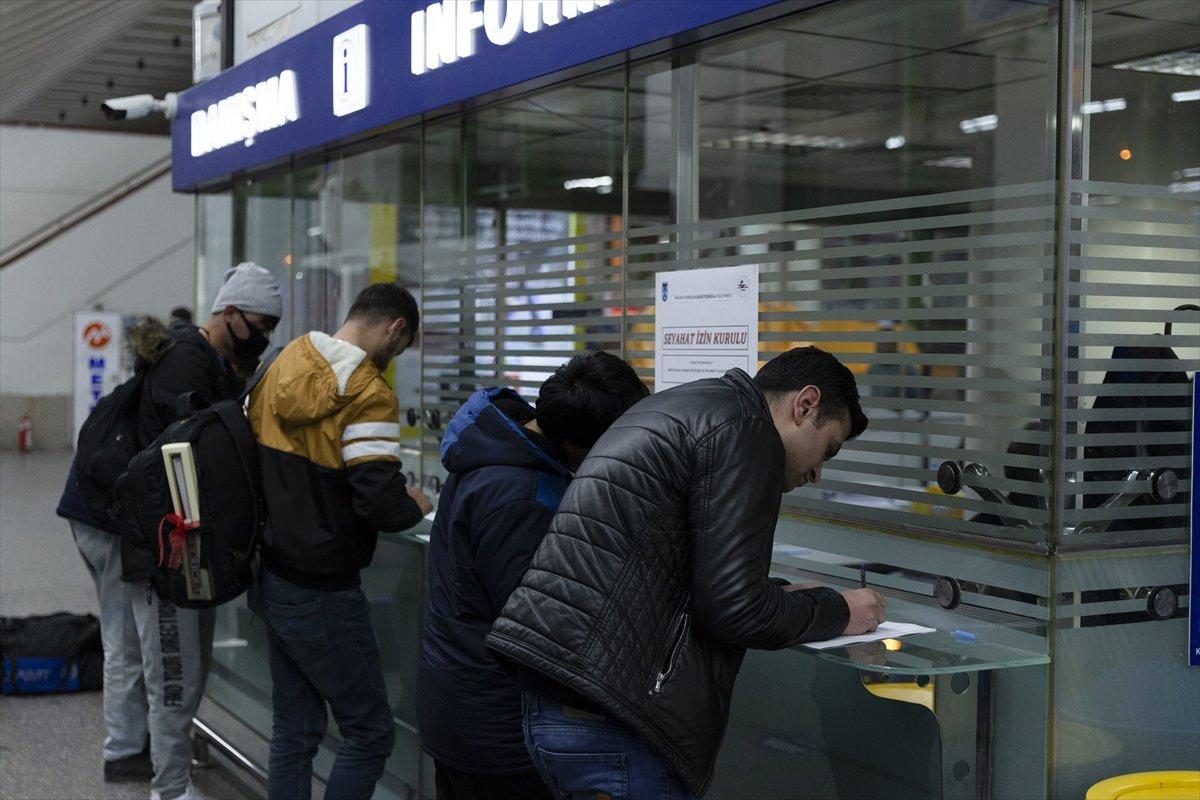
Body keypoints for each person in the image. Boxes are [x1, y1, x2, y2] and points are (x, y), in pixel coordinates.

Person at [487, 346, 886, 799]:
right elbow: (733, 611)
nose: (817, 473)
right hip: (613, 716)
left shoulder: (694, 405)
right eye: (827, 449)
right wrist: (838, 609)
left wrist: (778, 593)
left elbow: (679, 565)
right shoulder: (747, 430)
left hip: (564, 697)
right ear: (806, 404)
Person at [415, 352, 649, 800]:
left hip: (463, 702)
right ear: (581, 446)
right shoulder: (520, 495)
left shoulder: (499, 449)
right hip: (495, 727)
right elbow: (542, 627)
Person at [247, 282, 433, 800]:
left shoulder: (284, 361)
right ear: (394, 328)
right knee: (370, 732)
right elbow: (379, 503)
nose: (394, 359)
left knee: (296, 729)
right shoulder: (369, 393)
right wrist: (416, 502)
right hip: (324, 591)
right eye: (399, 348)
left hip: (271, 574)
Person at [127, 261, 282, 800]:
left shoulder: (213, 364)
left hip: (191, 544)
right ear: (229, 313)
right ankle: (168, 790)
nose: (263, 337)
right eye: (259, 325)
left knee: (185, 672)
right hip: (167, 550)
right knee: (173, 672)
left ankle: (167, 776)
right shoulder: (186, 366)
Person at [56, 460, 150, 782]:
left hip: (87, 505)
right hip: (105, 519)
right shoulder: (159, 406)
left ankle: (134, 734)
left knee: (122, 631)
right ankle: (123, 751)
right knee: (123, 637)